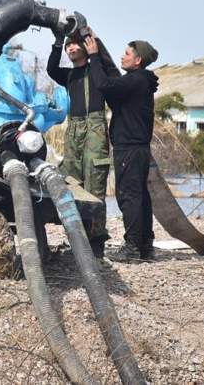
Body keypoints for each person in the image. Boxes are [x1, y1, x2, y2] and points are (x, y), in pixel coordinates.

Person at [46, 27, 119, 258]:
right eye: (69, 46)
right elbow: (50, 69)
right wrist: (57, 43)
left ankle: (96, 242)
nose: (71, 48)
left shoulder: (97, 70)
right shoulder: (69, 75)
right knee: (72, 182)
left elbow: (108, 68)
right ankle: (78, 238)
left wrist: (94, 41)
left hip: (95, 128)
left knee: (95, 186)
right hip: (74, 129)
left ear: (86, 47)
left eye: (74, 44)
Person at [85, 36, 159, 261]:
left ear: (138, 61)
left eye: (127, 54)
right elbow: (114, 94)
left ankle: (132, 248)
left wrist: (94, 56)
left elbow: (104, 85)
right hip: (138, 148)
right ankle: (145, 246)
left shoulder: (136, 80)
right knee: (140, 197)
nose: (122, 57)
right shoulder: (140, 82)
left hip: (129, 148)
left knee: (129, 197)